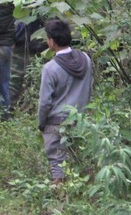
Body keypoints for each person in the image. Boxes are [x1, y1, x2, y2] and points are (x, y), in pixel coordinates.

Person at [36, 18, 93, 182]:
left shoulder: (50, 68)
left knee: (57, 163)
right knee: (80, 161)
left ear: (51, 42)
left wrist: (41, 123)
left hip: (56, 122)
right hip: (81, 119)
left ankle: (59, 200)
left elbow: (45, 102)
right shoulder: (86, 60)